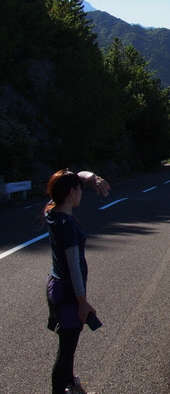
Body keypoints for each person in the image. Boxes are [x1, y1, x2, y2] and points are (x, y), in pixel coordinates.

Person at [44, 169, 110, 394]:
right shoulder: (68, 226)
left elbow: (70, 177)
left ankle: (71, 385)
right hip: (68, 292)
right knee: (66, 349)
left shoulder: (52, 212)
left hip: (56, 285)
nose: (82, 194)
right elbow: (74, 266)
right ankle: (60, 389)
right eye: (80, 190)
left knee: (67, 344)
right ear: (72, 192)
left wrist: (91, 178)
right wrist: (82, 302)